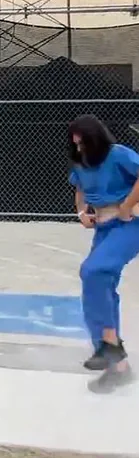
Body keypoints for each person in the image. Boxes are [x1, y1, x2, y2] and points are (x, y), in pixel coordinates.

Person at [69, 115, 139, 393]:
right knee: (96, 285)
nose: (78, 146)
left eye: (83, 141)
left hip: (129, 225)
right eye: (75, 142)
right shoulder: (81, 160)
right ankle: (117, 367)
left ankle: (110, 344)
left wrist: (127, 205)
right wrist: (81, 212)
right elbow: (80, 188)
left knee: (93, 271)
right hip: (102, 227)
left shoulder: (118, 154)